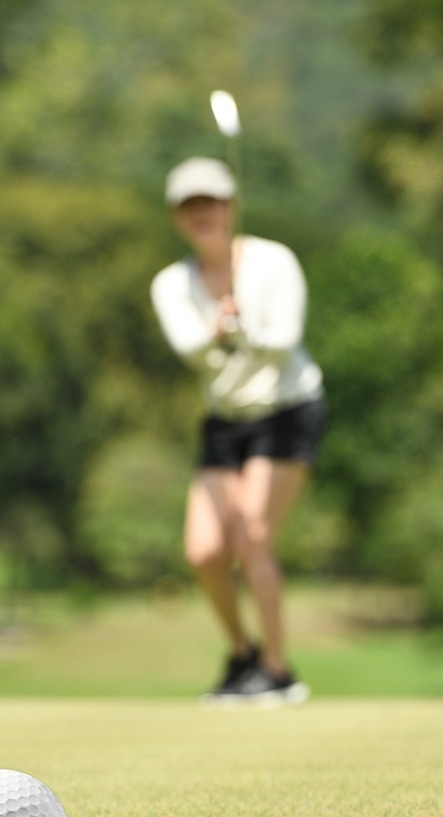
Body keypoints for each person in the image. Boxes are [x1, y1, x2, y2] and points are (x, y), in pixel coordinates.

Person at [150, 157, 326, 706]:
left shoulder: (274, 262)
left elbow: (285, 337)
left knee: (252, 535)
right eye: (190, 206)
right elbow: (188, 348)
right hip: (226, 420)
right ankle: (242, 657)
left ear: (231, 206)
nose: (203, 214)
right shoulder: (172, 283)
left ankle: (278, 672)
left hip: (287, 408)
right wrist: (216, 327)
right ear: (177, 217)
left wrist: (243, 322)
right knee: (204, 552)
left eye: (212, 202)